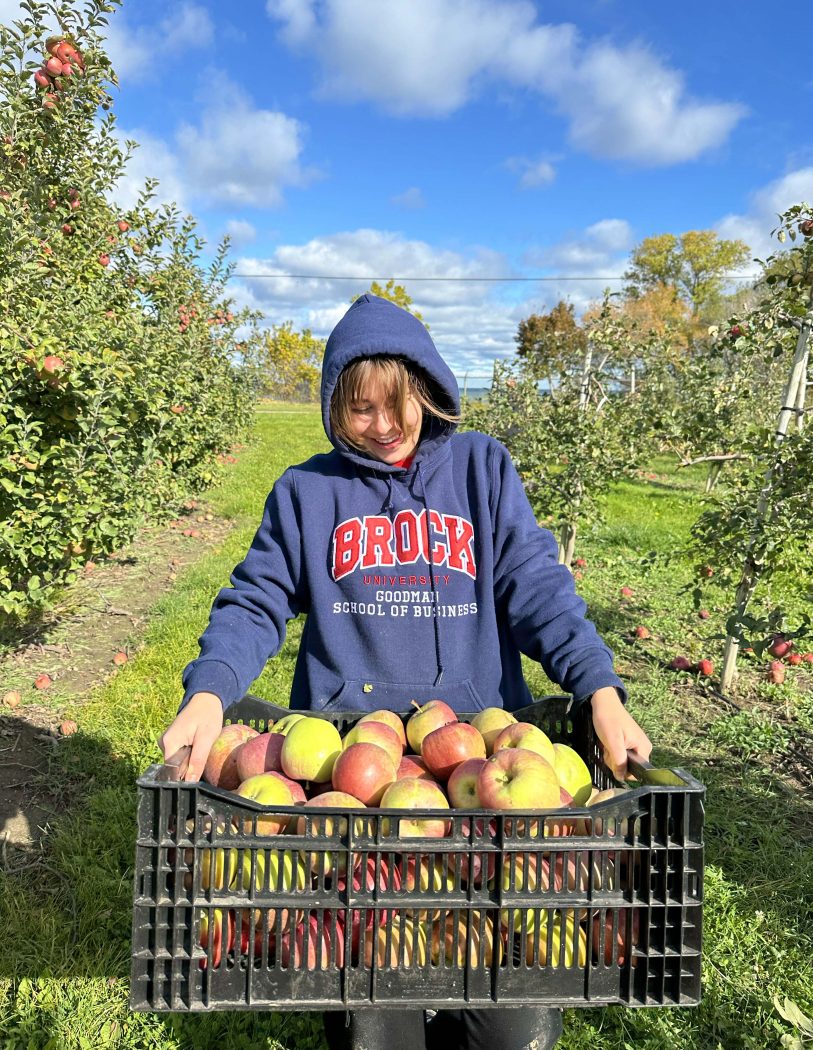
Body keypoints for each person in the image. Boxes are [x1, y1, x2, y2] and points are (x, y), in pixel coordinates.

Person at [158, 293, 652, 1050]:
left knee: (506, 1016)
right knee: (374, 1017)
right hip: (346, 789)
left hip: (484, 771)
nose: (384, 427)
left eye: (399, 404)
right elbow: (253, 601)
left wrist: (599, 688)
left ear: (427, 389)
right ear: (332, 407)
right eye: (361, 409)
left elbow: (537, 587)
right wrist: (207, 693)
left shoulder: (482, 470)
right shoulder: (305, 493)